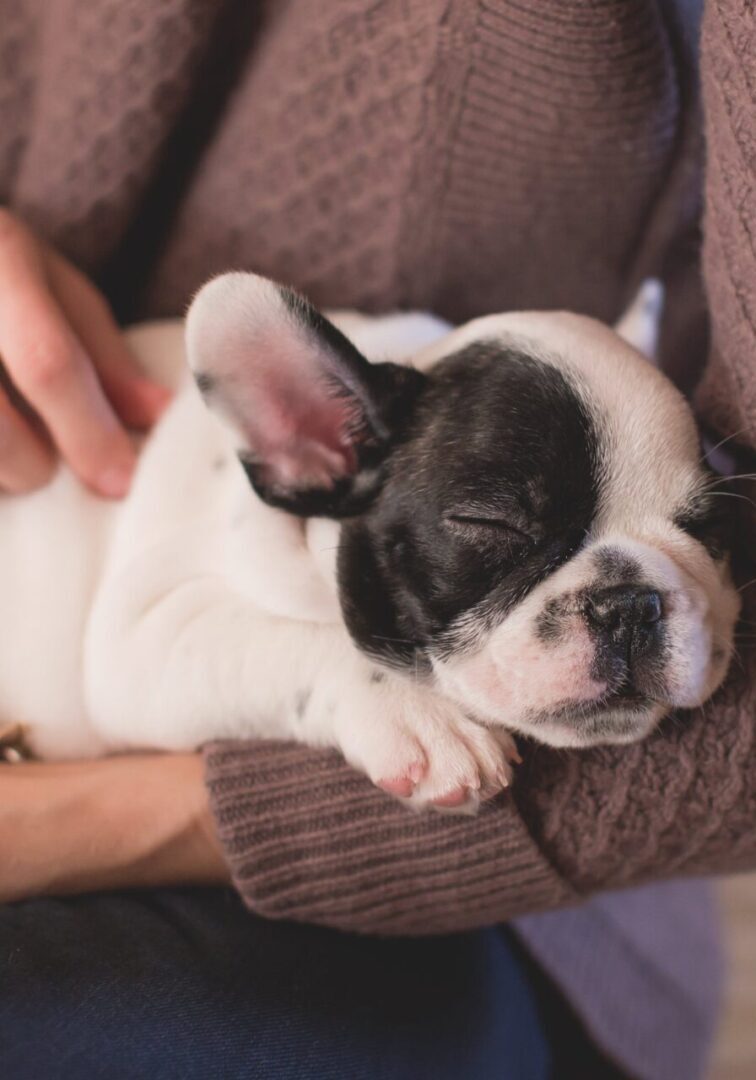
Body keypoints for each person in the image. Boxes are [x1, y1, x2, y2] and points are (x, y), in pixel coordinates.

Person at [0, 1, 753, 1077]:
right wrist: (344, 687)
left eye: (702, 535)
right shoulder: (280, 472)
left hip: (428, 915)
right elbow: (137, 670)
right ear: (300, 442)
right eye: (496, 534)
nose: (628, 610)